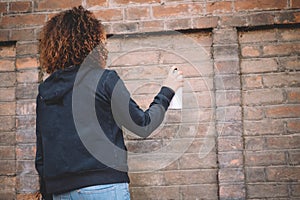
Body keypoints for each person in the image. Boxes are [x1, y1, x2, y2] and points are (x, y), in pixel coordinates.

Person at [35, 5, 183, 200]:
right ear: (91, 43)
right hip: (104, 188)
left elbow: (41, 158)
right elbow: (142, 125)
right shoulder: (104, 80)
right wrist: (168, 90)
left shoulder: (44, 92)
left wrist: (49, 193)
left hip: (59, 192)